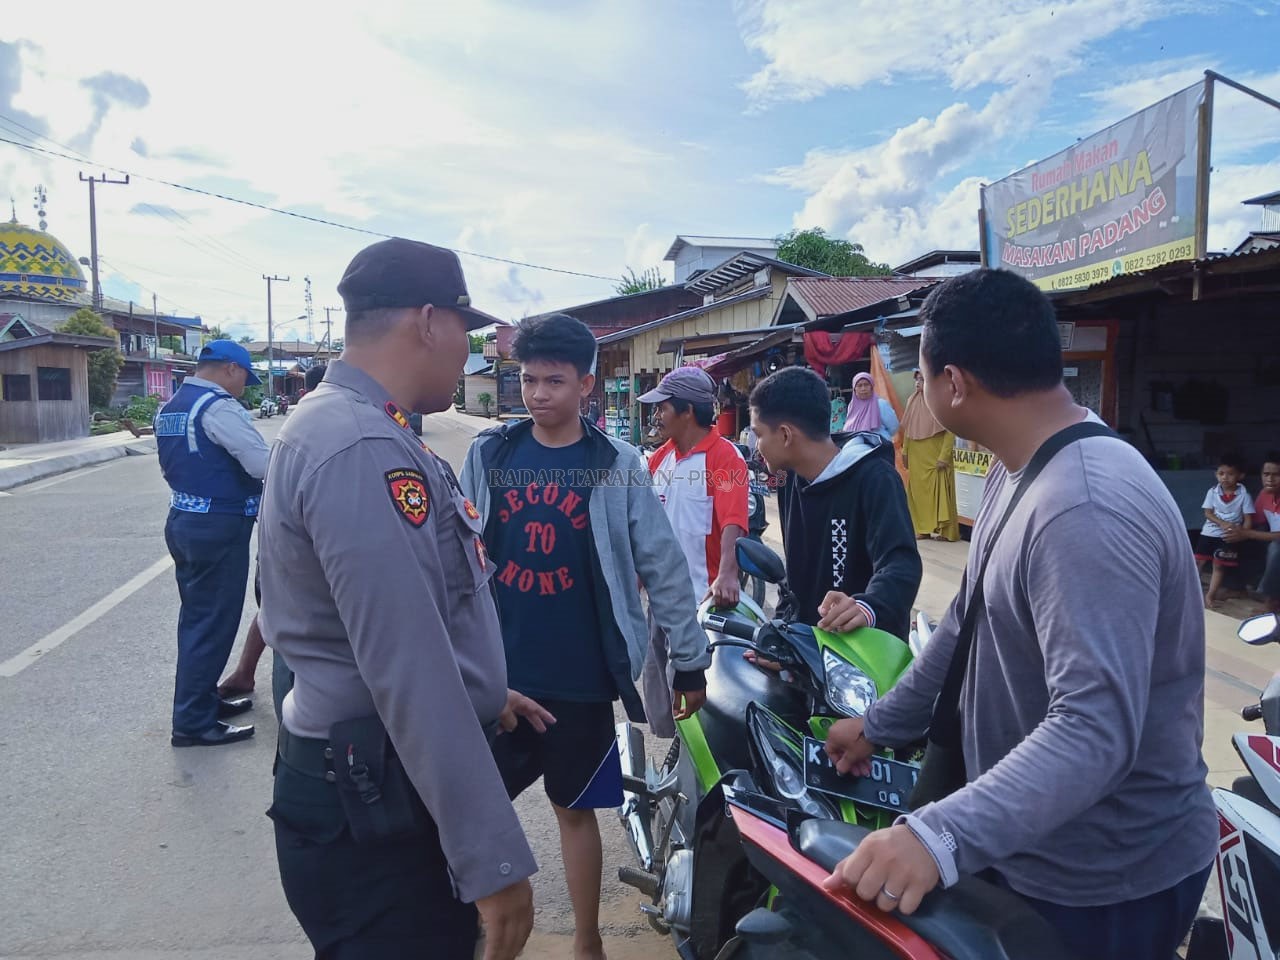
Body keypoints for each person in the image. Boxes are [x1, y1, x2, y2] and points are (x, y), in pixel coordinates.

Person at [822, 268, 1216, 960]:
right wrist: (880, 725)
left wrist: (937, 837)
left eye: (919, 371)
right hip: (1033, 842)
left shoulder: (1084, 508)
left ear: (954, 383)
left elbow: (1094, 729)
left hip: (1104, 879)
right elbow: (965, 625)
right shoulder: (1019, 466)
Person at [257, 239, 544, 960]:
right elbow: (404, 664)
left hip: (367, 781)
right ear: (427, 321)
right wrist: (492, 858)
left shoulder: (352, 426)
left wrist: (484, 691)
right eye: (465, 332)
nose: (467, 352)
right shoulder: (360, 446)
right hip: (371, 803)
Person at [460, 313, 710, 960]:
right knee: (470, 810)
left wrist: (689, 662)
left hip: (581, 678)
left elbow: (664, 567)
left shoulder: (617, 464)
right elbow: (456, 559)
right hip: (498, 678)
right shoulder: (491, 455)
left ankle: (588, 939)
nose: (538, 393)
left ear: (586, 386)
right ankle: (467, 925)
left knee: (577, 813)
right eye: (528, 380)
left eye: (554, 381)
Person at [748, 366, 921, 640]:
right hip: (807, 650)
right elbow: (793, 582)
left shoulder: (875, 478)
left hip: (863, 657)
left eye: (758, 434)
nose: (756, 445)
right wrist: (782, 635)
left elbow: (900, 563)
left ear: (785, 434)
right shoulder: (790, 479)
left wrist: (868, 606)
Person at [154, 340, 268, 747]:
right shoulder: (218, 407)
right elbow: (261, 464)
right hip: (218, 526)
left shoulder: (171, 407)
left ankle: (200, 704)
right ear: (231, 370)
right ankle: (192, 723)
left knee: (198, 621)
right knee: (212, 625)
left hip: (186, 520)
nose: (244, 388)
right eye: (244, 378)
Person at [639, 366, 750, 737]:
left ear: (687, 411)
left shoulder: (725, 458)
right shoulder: (659, 460)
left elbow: (733, 517)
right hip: (661, 599)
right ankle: (675, 759)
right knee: (659, 692)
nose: (656, 415)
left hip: (701, 601)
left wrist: (728, 572)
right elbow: (647, 526)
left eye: (662, 407)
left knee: (701, 698)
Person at [218, 363, 327, 714]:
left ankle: (245, 674)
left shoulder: (301, 415)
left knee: (273, 606)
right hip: (297, 535)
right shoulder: (325, 418)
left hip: (277, 528)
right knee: (288, 614)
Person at [899, 367, 959, 542]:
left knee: (940, 491)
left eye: (922, 380)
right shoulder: (912, 400)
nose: (918, 383)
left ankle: (945, 531)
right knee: (918, 494)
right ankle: (922, 529)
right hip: (917, 456)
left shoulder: (940, 400)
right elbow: (909, 429)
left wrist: (944, 456)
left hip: (935, 455)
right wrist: (905, 451)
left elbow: (950, 430)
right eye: (917, 380)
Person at [1196, 454, 1254, 608]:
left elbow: (1248, 519)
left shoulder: (1244, 496)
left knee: (1219, 566)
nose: (1225, 478)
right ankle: (1191, 592)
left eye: (1230, 474)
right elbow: (1208, 513)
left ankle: (1210, 596)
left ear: (1240, 476)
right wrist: (1221, 523)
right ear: (1216, 475)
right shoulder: (1212, 492)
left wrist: (1243, 535)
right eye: (1221, 474)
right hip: (1209, 532)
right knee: (1199, 562)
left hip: (1228, 536)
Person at [1226, 452, 1280, 614]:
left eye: (1276, 475)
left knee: (1276, 548)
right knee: (1232, 537)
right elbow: (1254, 522)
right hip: (1271, 538)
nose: (1270, 479)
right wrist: (1234, 530)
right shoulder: (1265, 494)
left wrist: (1247, 534)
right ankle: (1237, 587)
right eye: (1266, 474)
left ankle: (1271, 600)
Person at [842, 371, 899, 443]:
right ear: (854, 389)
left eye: (866, 385)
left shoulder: (880, 404)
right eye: (859, 386)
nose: (863, 389)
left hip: (880, 447)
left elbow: (893, 426)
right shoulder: (852, 406)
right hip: (858, 450)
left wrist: (882, 435)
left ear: (871, 387)